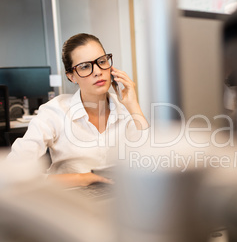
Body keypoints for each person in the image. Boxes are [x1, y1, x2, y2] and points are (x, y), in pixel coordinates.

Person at [6, 33, 149, 187]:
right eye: (85, 66)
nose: (97, 71)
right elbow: (12, 173)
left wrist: (133, 104)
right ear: (72, 77)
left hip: (118, 200)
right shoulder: (54, 112)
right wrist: (83, 179)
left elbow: (153, 165)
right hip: (70, 203)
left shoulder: (125, 110)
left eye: (102, 61)